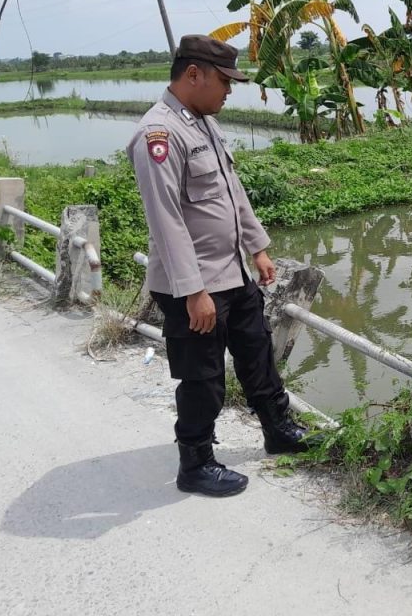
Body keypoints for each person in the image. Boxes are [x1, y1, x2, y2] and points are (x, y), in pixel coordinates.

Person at [127, 34, 311, 498]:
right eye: (224, 81)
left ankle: (278, 430)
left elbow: (233, 192)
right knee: (202, 376)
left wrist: (258, 246)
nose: (229, 91)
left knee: (257, 354)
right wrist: (193, 291)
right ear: (194, 74)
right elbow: (167, 221)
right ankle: (196, 463)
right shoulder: (160, 134)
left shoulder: (203, 123)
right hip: (192, 287)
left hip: (233, 274)